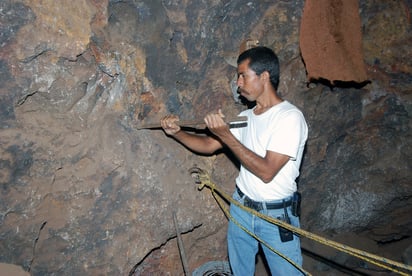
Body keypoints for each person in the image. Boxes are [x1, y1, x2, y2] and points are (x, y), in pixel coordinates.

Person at [160, 46, 308, 275]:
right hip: (241, 207)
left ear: (265, 76)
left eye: (243, 75)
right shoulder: (245, 117)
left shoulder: (289, 118)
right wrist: (177, 132)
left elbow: (267, 171)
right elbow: (209, 146)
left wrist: (225, 135)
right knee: (240, 271)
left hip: (276, 217)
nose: (238, 83)